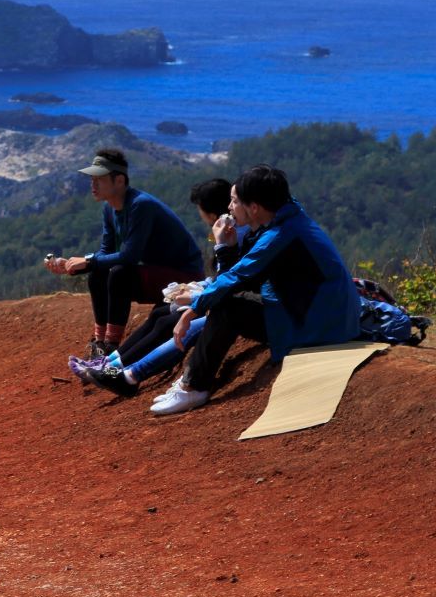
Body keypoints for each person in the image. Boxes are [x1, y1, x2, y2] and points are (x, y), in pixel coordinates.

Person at [150, 164, 361, 416]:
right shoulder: (287, 218)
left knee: (228, 308)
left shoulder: (279, 236)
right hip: (327, 320)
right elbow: (243, 275)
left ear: (254, 208)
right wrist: (226, 248)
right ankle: (191, 380)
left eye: (234, 201)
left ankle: (193, 386)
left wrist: (191, 311)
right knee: (229, 302)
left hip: (317, 330)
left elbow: (238, 277)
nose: (229, 208)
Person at [82, 178, 252, 397]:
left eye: (234, 201)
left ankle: (121, 372)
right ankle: (111, 364)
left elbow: (230, 278)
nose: (231, 207)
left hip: (227, 303)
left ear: (209, 214)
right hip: (216, 292)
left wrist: (195, 295)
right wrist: (196, 287)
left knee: (167, 321)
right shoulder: (230, 230)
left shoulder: (234, 234)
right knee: (161, 312)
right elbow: (223, 276)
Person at [45, 148, 203, 359]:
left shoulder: (140, 206)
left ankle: (111, 346)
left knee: (119, 274)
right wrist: (72, 266)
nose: (93, 185)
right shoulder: (110, 208)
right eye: (92, 179)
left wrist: (88, 261)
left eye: (98, 179)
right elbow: (106, 253)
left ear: (119, 181)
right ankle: (99, 343)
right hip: (159, 275)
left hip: (186, 279)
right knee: (98, 274)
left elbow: (129, 256)